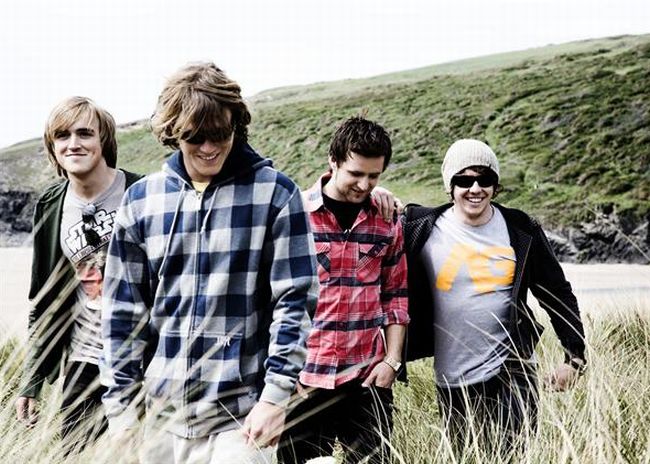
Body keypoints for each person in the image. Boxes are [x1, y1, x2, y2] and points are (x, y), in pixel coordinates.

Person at [100, 62, 318, 463]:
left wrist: (275, 398)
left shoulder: (276, 194)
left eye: (220, 133)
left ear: (236, 124)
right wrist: (121, 411)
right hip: (158, 420)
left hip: (242, 418)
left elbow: (295, 302)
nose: (208, 147)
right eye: (194, 137)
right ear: (172, 132)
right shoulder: (142, 200)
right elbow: (122, 313)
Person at [402, 139, 587, 456]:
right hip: (452, 377)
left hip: (513, 367)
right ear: (450, 186)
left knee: (513, 455)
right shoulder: (420, 227)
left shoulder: (520, 228)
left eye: (484, 179)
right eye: (464, 180)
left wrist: (575, 357)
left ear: (495, 185)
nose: (475, 188)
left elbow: (557, 293)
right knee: (466, 457)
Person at [278, 116, 409, 463]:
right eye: (356, 173)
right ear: (333, 162)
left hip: (368, 380)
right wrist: (282, 371)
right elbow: (270, 299)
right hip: (305, 379)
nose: (364, 184)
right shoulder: (294, 215)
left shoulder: (387, 219)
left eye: (374, 176)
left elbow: (396, 295)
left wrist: (392, 362)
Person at [15, 96, 141, 451]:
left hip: (141, 356)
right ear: (52, 147)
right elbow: (44, 299)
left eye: (85, 133)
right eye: (62, 135)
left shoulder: (140, 192)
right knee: (72, 453)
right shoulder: (51, 204)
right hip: (84, 357)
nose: (73, 143)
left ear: (103, 140)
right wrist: (32, 381)